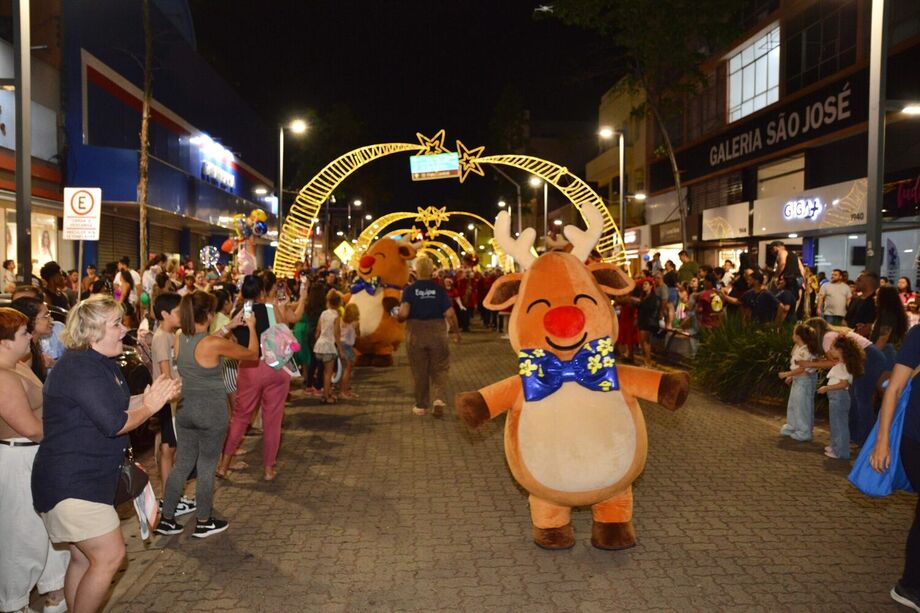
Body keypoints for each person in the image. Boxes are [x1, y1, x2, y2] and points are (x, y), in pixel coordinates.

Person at [31, 295, 180, 613]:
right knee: (110, 556)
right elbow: (114, 423)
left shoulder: (97, 363)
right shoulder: (80, 368)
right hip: (73, 483)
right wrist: (150, 406)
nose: (124, 330)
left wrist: (151, 397)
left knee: (84, 558)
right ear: (92, 331)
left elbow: (119, 406)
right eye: (116, 324)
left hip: (83, 480)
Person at [156, 291, 257, 539]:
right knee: (207, 465)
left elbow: (205, 343)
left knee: (182, 464)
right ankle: (203, 521)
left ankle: (166, 519)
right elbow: (252, 354)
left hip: (185, 410)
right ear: (209, 315)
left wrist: (229, 326)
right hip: (211, 411)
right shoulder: (213, 343)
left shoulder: (180, 337)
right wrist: (252, 327)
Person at [0, 307, 68, 613]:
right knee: (22, 537)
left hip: (35, 456)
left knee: (48, 530)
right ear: (4, 341)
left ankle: (55, 594)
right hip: (19, 460)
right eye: (23, 333)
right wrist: (73, 431)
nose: (30, 336)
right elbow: (29, 428)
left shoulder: (18, 365)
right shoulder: (3, 378)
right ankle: (14, 604)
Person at [217, 275, 301, 482]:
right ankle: (268, 470)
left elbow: (231, 340)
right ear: (262, 292)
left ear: (242, 292)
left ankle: (224, 466)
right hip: (276, 368)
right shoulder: (271, 309)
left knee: (240, 416)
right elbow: (285, 331)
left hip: (249, 368)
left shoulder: (238, 313)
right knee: (273, 420)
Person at [868, 325, 920, 610]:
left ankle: (910, 584)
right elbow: (894, 389)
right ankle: (910, 586)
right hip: (916, 439)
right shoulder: (919, 335)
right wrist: (882, 441)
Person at [801, 317, 886, 447]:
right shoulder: (831, 335)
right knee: (857, 399)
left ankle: (865, 440)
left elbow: (834, 362)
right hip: (868, 357)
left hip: (869, 358)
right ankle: (856, 437)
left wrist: (809, 364)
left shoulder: (827, 338)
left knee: (861, 400)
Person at [149, 292, 196, 516]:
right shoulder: (161, 338)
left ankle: (172, 496)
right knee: (169, 448)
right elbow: (166, 372)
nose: (182, 315)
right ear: (165, 314)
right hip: (169, 399)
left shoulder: (171, 335)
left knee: (170, 447)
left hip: (172, 398)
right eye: (178, 312)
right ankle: (170, 499)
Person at [397, 256, 461, 417]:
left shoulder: (410, 290)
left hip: (415, 333)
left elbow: (403, 313)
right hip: (437, 332)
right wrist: (456, 333)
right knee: (440, 367)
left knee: (419, 370)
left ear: (416, 271)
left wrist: (398, 317)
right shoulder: (439, 290)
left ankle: (421, 405)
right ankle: (438, 399)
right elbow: (450, 313)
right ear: (432, 271)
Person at [817, 333, 864, 460]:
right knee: (836, 423)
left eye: (832, 348)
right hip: (837, 397)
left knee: (839, 424)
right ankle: (835, 446)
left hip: (838, 397)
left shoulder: (842, 366)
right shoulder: (842, 365)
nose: (830, 350)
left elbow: (843, 384)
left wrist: (826, 388)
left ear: (840, 350)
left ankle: (840, 451)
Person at [778, 324, 819, 442]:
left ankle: (804, 431)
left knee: (802, 407)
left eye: (794, 333)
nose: (792, 335)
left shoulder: (805, 351)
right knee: (793, 405)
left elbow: (802, 369)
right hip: (798, 380)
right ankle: (792, 426)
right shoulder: (800, 348)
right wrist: (791, 376)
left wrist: (787, 374)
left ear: (798, 336)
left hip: (803, 381)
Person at [10, 296, 55, 382]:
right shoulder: (25, 353)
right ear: (31, 320)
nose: (51, 319)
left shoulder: (34, 345)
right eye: (46, 316)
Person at [313, 290, 346, 405]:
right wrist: (340, 350)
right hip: (329, 346)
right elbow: (337, 334)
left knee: (323, 371)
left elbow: (318, 330)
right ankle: (326, 396)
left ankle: (328, 392)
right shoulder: (336, 315)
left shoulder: (323, 313)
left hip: (319, 345)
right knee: (328, 373)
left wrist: (316, 342)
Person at [871, 285, 910, 371]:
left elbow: (883, 338)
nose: (874, 298)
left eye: (877, 295)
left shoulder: (888, 315)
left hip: (884, 354)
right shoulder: (887, 313)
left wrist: (870, 356)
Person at [635, 278, 660, 368]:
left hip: (648, 322)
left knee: (646, 342)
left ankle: (648, 362)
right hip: (642, 320)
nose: (644, 286)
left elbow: (650, 308)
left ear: (651, 286)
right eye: (643, 284)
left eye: (646, 284)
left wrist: (639, 303)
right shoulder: (644, 296)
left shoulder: (653, 297)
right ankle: (646, 361)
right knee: (643, 342)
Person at [847, 272, 879, 337]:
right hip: (850, 336)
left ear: (868, 283)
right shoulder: (855, 299)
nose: (855, 282)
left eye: (859, 280)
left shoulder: (876, 302)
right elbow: (846, 320)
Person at [340, 302, 360, 400]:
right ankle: (343, 392)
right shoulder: (354, 323)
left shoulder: (341, 321)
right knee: (347, 370)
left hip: (342, 345)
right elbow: (358, 335)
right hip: (347, 346)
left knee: (345, 370)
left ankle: (346, 390)